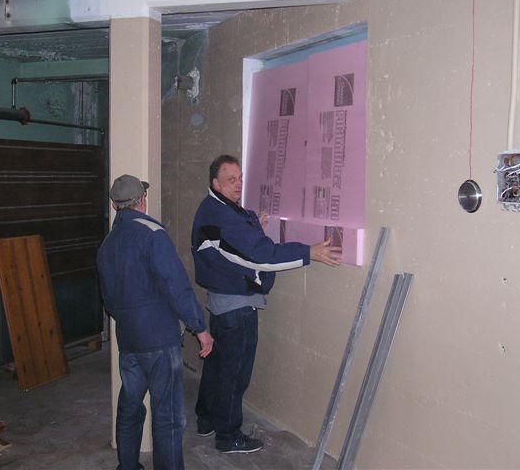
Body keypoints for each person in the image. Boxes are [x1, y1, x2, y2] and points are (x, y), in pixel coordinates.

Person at [191, 155, 341, 454]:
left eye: (240, 177)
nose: (238, 184)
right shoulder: (219, 217)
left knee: (218, 366)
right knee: (235, 373)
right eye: (231, 180)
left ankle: (206, 419)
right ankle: (228, 435)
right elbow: (259, 255)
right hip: (236, 307)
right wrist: (308, 252)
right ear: (215, 183)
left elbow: (238, 224)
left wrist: (253, 222)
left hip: (223, 303)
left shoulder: (215, 207)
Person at [97, 174, 213, 470]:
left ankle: (128, 466)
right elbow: (176, 285)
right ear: (142, 201)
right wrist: (199, 328)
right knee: (169, 417)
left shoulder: (107, 246)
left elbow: (108, 300)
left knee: (130, 408)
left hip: (129, 342)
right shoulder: (152, 234)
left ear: (114, 205)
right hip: (159, 340)